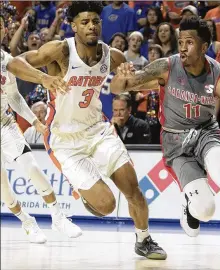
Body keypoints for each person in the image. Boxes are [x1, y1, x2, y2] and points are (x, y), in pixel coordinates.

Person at [111, 16, 220, 268]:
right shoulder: (166, 67)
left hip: (206, 135)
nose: (182, 47)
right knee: (206, 211)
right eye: (180, 41)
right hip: (176, 142)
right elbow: (120, 87)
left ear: (204, 47)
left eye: (189, 42)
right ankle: (192, 205)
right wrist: (121, 76)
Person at [11, 1, 166, 260]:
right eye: (84, 22)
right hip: (64, 139)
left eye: (95, 21)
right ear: (73, 27)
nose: (91, 26)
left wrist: (157, 83)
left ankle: (144, 239)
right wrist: (44, 78)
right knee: (106, 205)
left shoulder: (112, 55)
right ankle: (85, 190)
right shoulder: (61, 50)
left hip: (97, 129)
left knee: (133, 190)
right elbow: (15, 63)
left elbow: (126, 85)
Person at [0, 14, 82, 243]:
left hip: (4, 125)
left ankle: (57, 215)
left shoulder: (7, 62)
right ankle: (27, 221)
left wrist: (34, 121)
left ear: (4, 31)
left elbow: (14, 97)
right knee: (3, 189)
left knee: (32, 168)